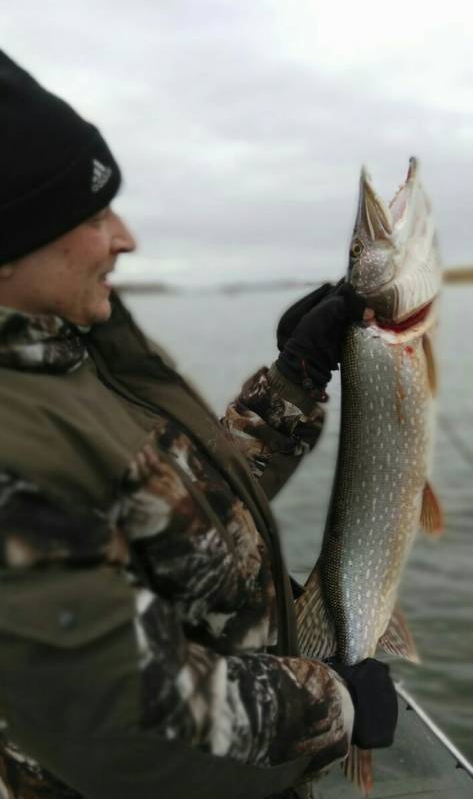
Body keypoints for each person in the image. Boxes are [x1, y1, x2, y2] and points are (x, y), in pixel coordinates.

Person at [0, 50, 397, 799]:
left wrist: (295, 378)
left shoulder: (72, 354)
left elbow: (183, 519)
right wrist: (335, 700)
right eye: (91, 215)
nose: (125, 237)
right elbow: (127, 708)